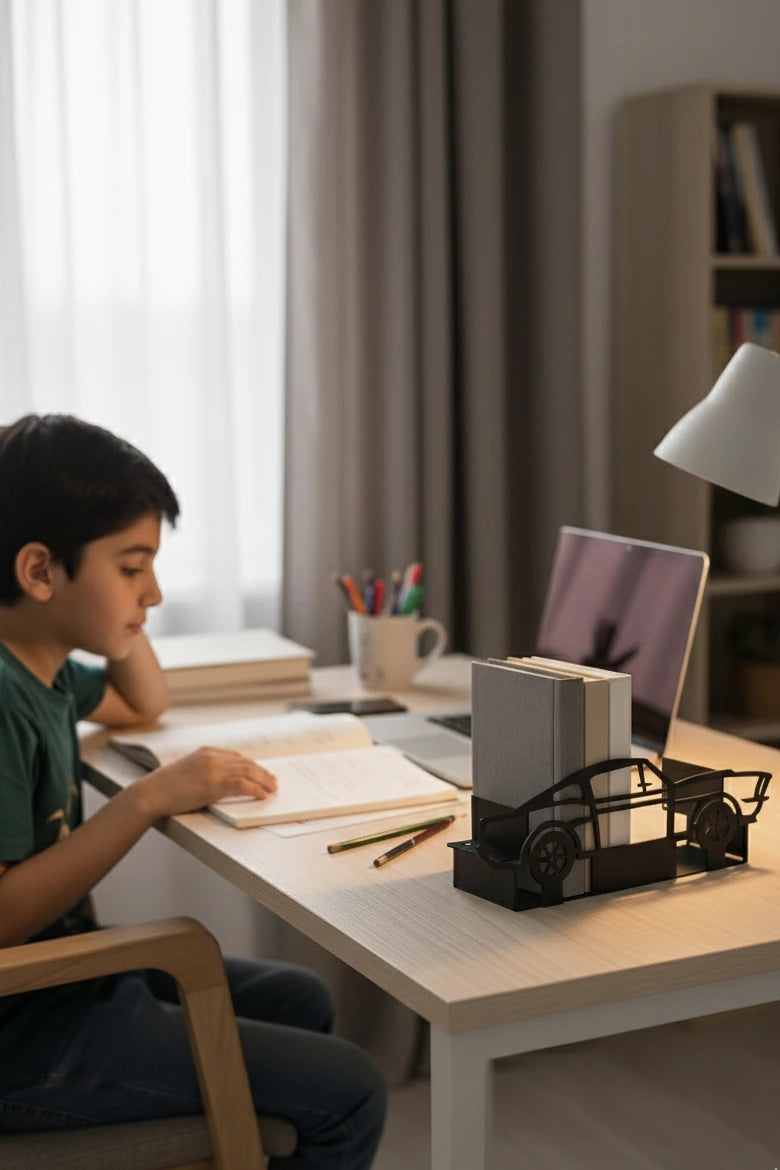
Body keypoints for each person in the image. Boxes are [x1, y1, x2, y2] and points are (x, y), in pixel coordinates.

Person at [0, 414, 386, 1168]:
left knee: (301, 998)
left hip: (57, 984)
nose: (157, 591)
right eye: (132, 566)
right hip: (25, 1029)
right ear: (40, 572)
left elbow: (145, 703)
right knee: (353, 1092)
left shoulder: (38, 666)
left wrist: (122, 607)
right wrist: (145, 800)